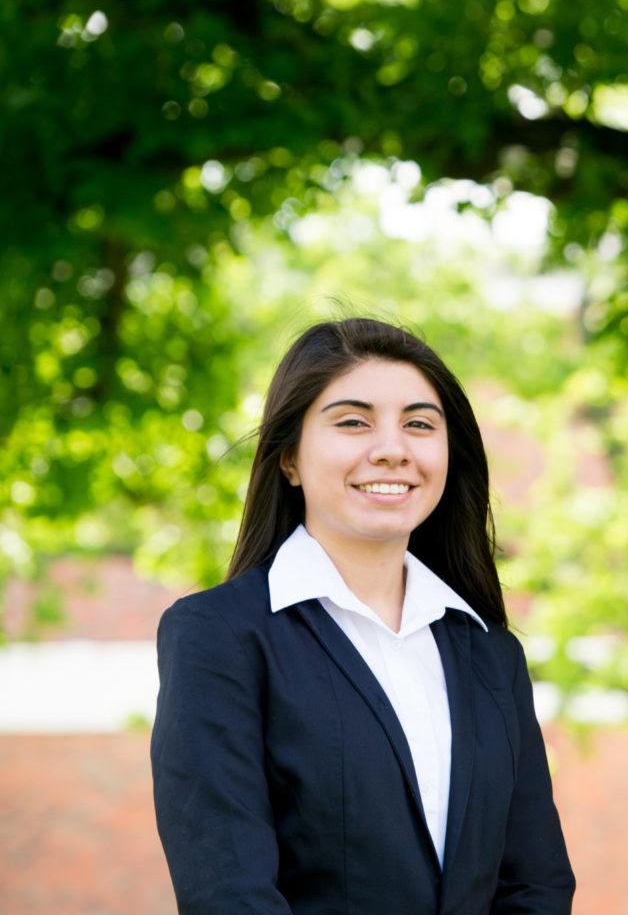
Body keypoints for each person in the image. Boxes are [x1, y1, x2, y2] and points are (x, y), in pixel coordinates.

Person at [152, 318, 574, 913]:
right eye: (353, 421)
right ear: (289, 459)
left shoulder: (490, 652)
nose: (392, 449)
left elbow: (536, 884)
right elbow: (228, 893)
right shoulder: (220, 636)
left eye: (420, 425)